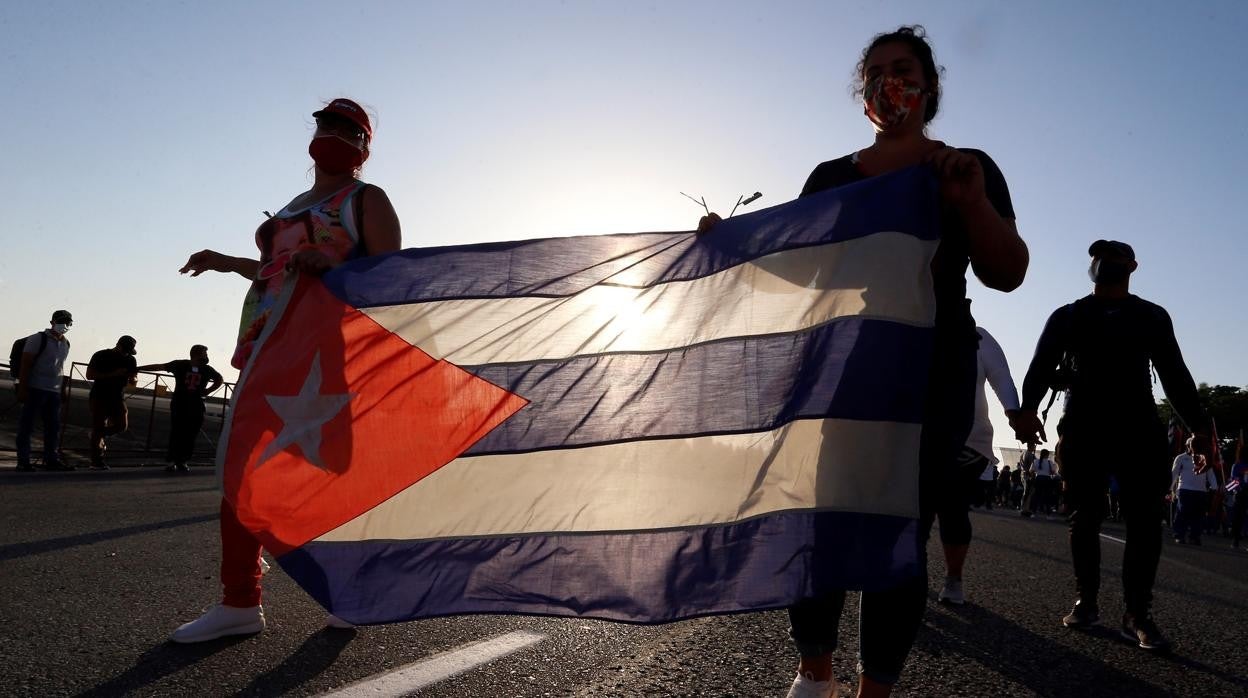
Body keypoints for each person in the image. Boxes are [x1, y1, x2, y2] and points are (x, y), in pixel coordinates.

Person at [700, 26, 1028, 698]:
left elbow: (1009, 270)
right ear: (863, 94)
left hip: (931, 370)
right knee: (823, 519)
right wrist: (733, 246)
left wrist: (969, 203)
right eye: (875, 73)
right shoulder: (832, 178)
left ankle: (872, 689)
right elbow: (802, 269)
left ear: (929, 85)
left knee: (896, 533)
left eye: (902, 69)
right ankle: (813, 674)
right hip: (845, 366)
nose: (889, 83)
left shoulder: (965, 166)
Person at [169, 98, 401, 643]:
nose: (332, 133)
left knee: (332, 472)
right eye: (326, 122)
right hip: (265, 345)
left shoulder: (366, 198)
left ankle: (353, 592)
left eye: (348, 128)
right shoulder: (296, 203)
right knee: (240, 466)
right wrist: (227, 262)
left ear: (364, 146)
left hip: (324, 352)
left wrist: (338, 264)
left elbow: (392, 275)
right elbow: (276, 270)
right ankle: (239, 600)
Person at [1014, 239, 1208, 653]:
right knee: (1085, 516)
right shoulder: (1068, 316)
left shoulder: (1150, 316)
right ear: (1092, 268)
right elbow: (1040, 365)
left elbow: (1174, 374)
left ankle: (1137, 614)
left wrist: (1199, 429)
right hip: (1084, 426)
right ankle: (1086, 601)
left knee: (1144, 520)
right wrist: (1027, 410)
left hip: (1138, 427)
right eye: (1098, 257)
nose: (1105, 262)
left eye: (1114, 256)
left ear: (1132, 266)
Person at [937, 326, 1021, 606]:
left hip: (969, 440)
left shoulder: (978, 336)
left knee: (952, 510)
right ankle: (904, 580)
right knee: (913, 513)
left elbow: (1001, 378)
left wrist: (1015, 414)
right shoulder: (911, 323)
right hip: (915, 435)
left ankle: (953, 578)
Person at [137, 345, 223, 473]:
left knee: (190, 432)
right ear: (197, 354)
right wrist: (138, 369)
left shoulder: (200, 368)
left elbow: (219, 379)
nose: (206, 356)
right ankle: (174, 460)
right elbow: (160, 366)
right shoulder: (185, 365)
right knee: (179, 431)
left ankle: (181, 460)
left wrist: (208, 390)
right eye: (205, 353)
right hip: (183, 402)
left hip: (191, 403)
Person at [15, 310, 74, 471]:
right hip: (35, 388)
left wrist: (62, 390)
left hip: (53, 391)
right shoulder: (38, 339)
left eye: (68, 322)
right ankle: (23, 461)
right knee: (27, 426)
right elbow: (25, 364)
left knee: (53, 427)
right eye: (62, 321)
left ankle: (51, 459)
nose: (65, 325)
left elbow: (60, 368)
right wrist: (22, 388)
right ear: (52, 322)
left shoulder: (66, 343)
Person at [85, 335, 138, 470]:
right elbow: (90, 375)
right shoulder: (101, 355)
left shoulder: (131, 359)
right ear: (118, 345)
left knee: (121, 425)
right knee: (99, 424)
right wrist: (113, 374)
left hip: (117, 397)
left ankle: (97, 435)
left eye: (129, 351)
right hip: (99, 395)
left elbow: (133, 378)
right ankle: (96, 461)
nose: (126, 353)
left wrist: (133, 379)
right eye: (125, 350)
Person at [1170, 437, 1218, 545]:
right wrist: (1169, 489)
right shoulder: (1180, 458)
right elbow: (1174, 474)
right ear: (1188, 446)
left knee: (1199, 515)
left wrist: (1214, 487)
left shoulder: (1204, 458)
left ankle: (1194, 536)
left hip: (1201, 491)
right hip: (1184, 490)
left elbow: (1210, 474)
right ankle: (1179, 535)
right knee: (1182, 513)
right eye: (1191, 445)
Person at [1030, 448, 1057, 518]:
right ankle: (1048, 515)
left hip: (1038, 478)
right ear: (1047, 455)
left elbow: (1031, 471)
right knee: (1048, 497)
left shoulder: (1036, 461)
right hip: (1047, 479)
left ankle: (1033, 513)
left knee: (1036, 496)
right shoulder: (1050, 462)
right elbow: (1053, 472)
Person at [1231, 455, 1248, 550]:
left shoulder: (1236, 466)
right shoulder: (1237, 466)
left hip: (1240, 494)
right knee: (1238, 518)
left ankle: (1235, 540)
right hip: (1241, 494)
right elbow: (1235, 480)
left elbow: (1234, 480)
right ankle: (1236, 539)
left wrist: (1237, 489)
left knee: (1238, 518)